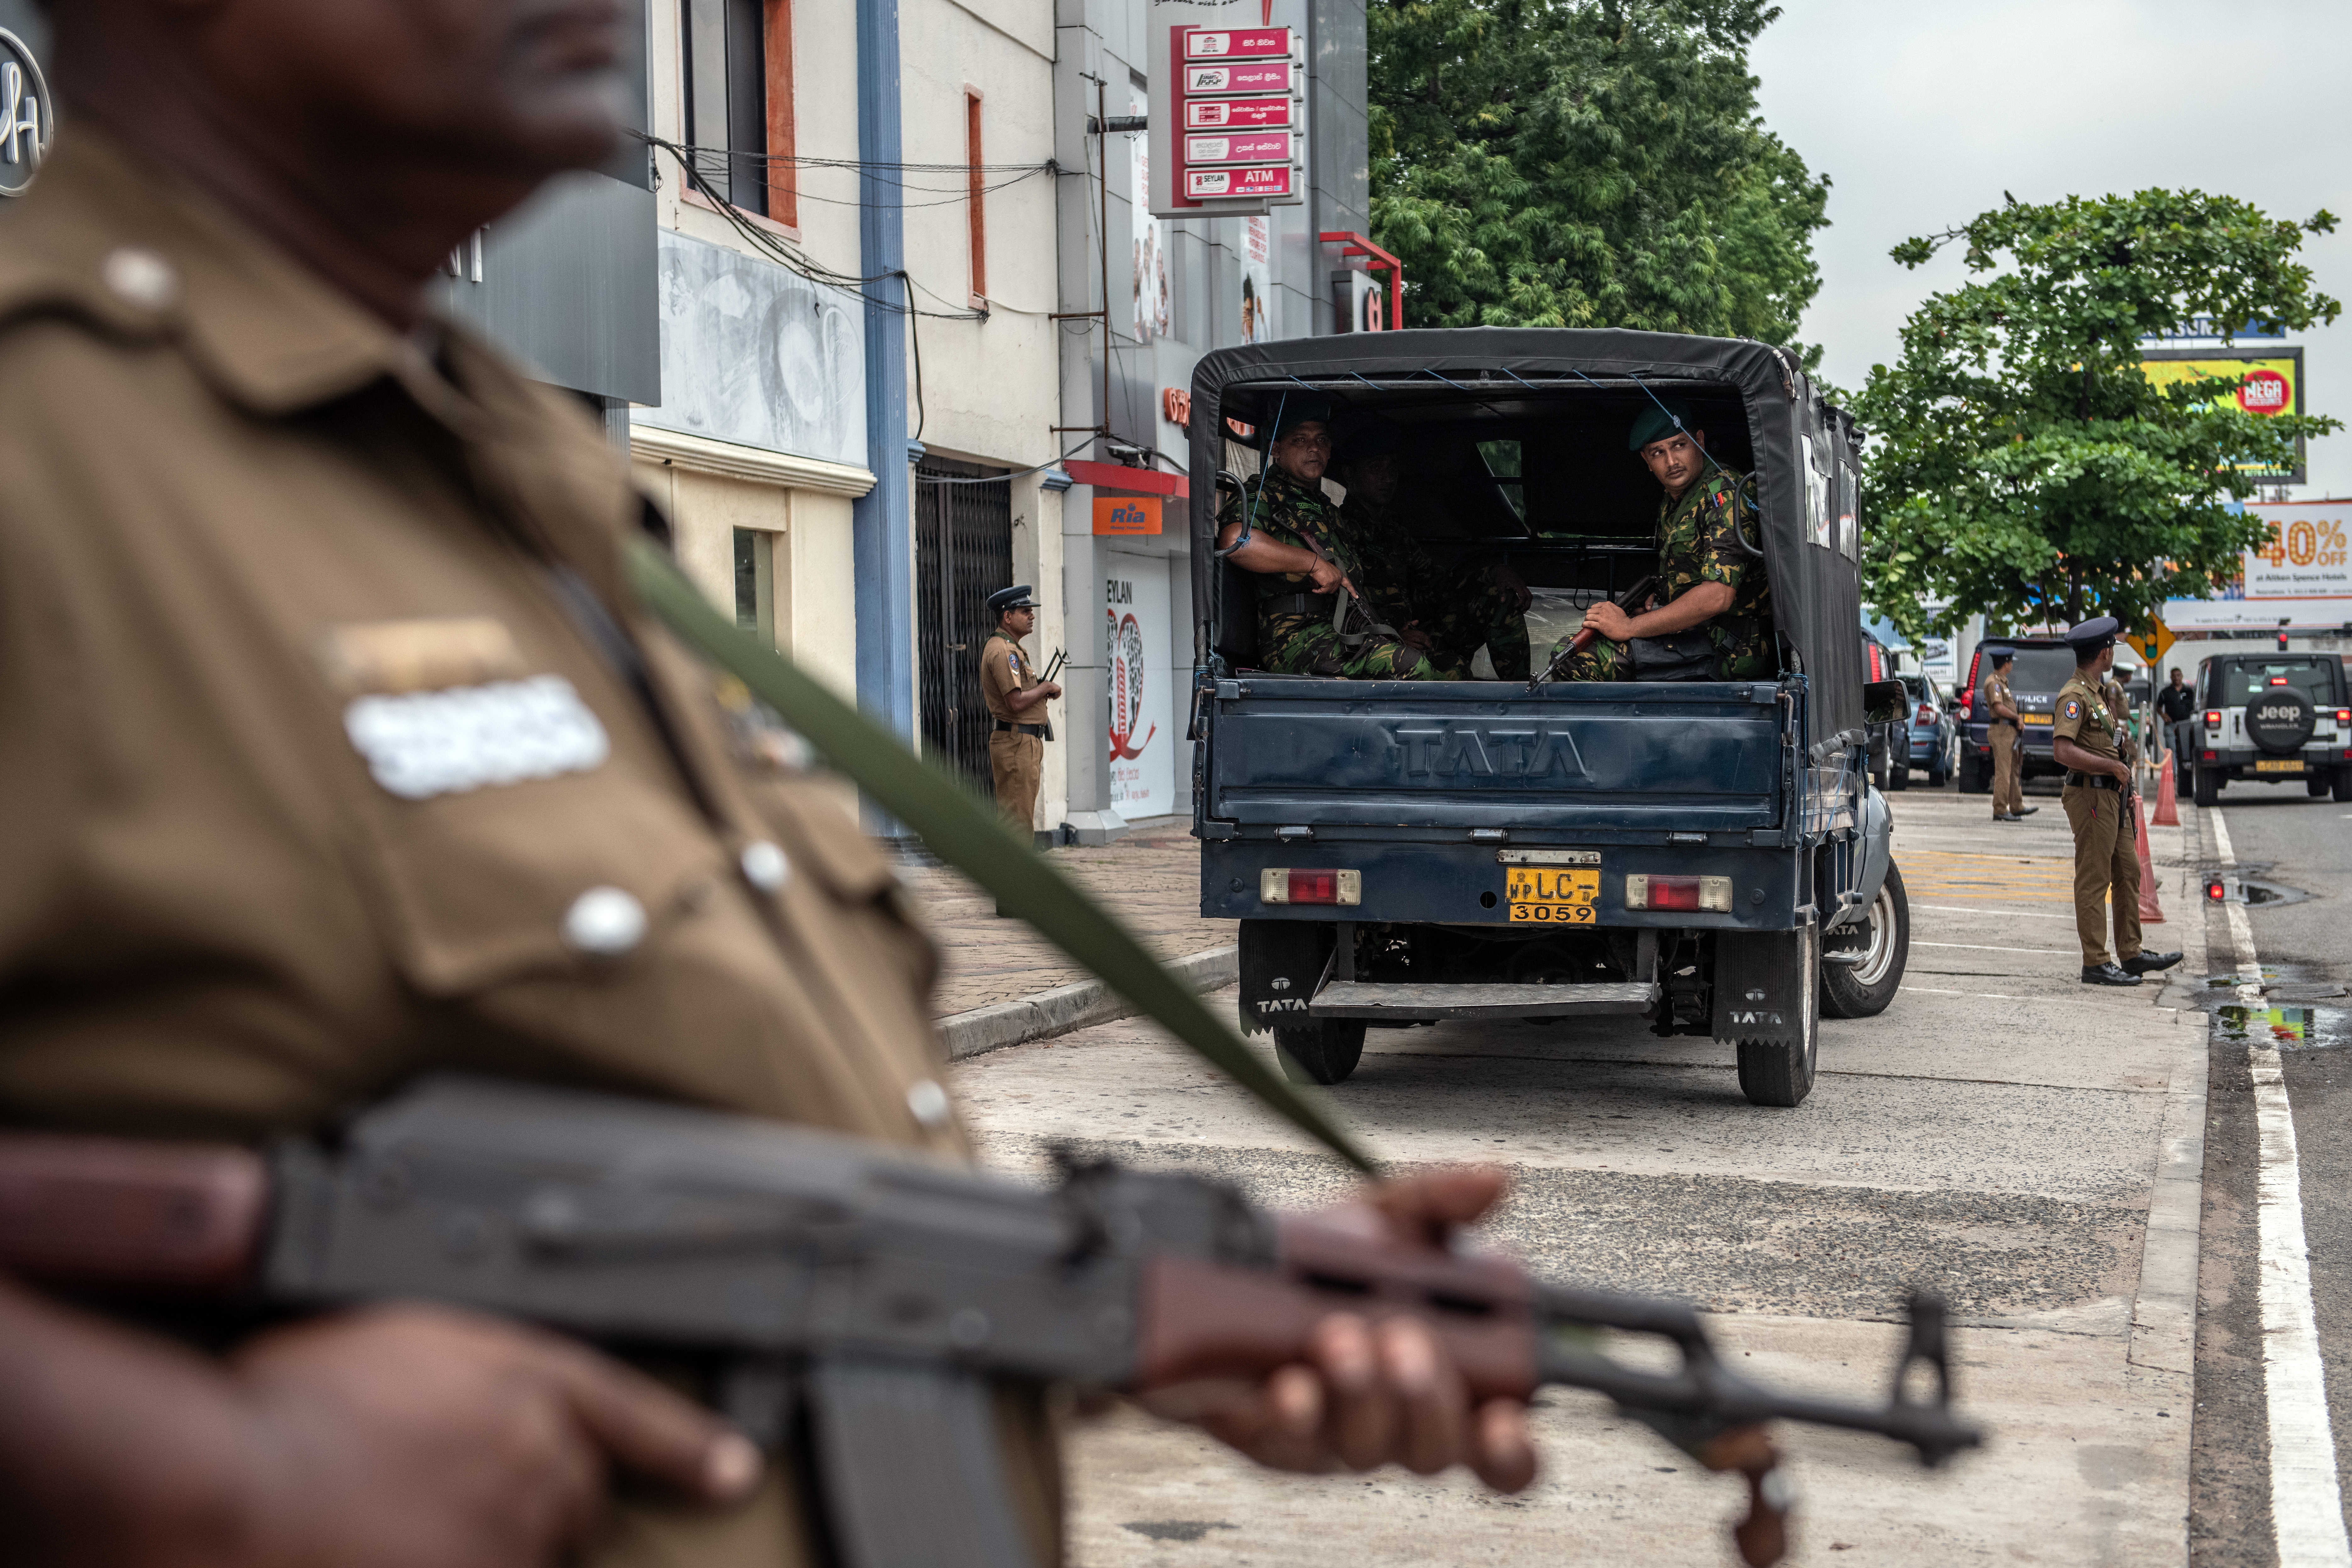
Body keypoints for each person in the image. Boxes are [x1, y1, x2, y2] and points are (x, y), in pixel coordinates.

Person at [0, 4, 1535, 1566]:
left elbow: (723, 1231)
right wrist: (213, 1480)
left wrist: (1150, 1305)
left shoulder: (508, 473)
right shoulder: (45, 456)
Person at [1215, 399, 1444, 680]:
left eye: (1322, 439)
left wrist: (1391, 629)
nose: (1314, 448)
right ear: (1276, 448)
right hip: (1294, 638)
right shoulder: (1264, 494)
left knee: (1442, 666)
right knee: (1412, 666)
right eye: (1301, 439)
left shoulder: (1328, 510)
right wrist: (1313, 563)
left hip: (1341, 629)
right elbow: (1236, 541)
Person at [1555, 400, 1772, 681]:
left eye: (1679, 445)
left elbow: (1718, 596)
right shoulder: (1676, 500)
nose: (1671, 462)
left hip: (1732, 648)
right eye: (1658, 452)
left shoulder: (1724, 495)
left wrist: (1631, 627)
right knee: (1570, 649)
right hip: (1698, 636)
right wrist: (1660, 591)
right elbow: (1690, 570)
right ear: (1647, 461)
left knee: (1577, 662)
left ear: (1700, 441)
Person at [1332, 418, 1533, 680]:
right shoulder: (1340, 528)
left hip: (1416, 631)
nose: (1388, 478)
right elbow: (1341, 606)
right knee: (1454, 672)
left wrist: (1493, 573)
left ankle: (1525, 696)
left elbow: (1436, 585)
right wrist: (1390, 634)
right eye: (1376, 468)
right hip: (1375, 643)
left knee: (1499, 597)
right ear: (1350, 475)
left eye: (1393, 468)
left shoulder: (1393, 529)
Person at [2051, 619, 2182, 987]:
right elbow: (2062, 750)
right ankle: (2094, 962)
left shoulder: (2096, 694)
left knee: (2127, 872)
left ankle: (2131, 954)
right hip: (2090, 794)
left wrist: (2118, 761)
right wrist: (2111, 765)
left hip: (2112, 795)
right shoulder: (2074, 696)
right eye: (2111, 648)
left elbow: (2103, 742)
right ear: (2104, 652)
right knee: (2094, 879)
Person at [980, 585, 1059, 832]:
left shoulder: (1011, 648)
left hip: (1023, 742)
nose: (1032, 616)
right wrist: (1044, 688)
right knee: (1017, 822)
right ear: (1008, 616)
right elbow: (1014, 703)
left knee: (1019, 817)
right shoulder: (1004, 651)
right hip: (1016, 743)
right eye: (1026, 611)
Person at [1978, 647, 2034, 822]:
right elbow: (1998, 708)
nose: (2011, 666)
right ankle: (2000, 809)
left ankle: (2016, 806)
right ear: (2006, 664)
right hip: (2001, 731)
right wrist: (2017, 717)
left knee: (2013, 770)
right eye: (2010, 663)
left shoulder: (2001, 682)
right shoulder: (1993, 683)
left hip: (2009, 731)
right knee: (2004, 771)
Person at [2155, 664, 2198, 768]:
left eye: (2179, 675)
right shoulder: (2166, 692)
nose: (2177, 678)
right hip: (2171, 725)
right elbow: (2158, 707)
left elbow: (2195, 706)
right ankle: (2173, 773)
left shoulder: (2189, 691)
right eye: (2174, 676)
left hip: (2186, 725)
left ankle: (2185, 772)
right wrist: (2163, 715)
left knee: (2186, 749)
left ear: (2182, 676)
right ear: (2171, 678)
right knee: (2172, 749)